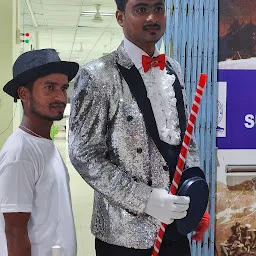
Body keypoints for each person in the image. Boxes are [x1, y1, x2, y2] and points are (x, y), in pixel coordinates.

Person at [69, 0, 210, 255]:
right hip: (124, 237)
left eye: (158, 8)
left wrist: (195, 197)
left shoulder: (174, 70)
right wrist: (146, 200)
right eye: (141, 10)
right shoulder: (97, 75)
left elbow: (186, 141)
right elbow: (84, 155)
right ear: (120, 18)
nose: (152, 18)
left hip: (176, 230)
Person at [0, 49, 79, 256]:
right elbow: (15, 233)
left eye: (63, 88)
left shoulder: (44, 144)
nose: (61, 97)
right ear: (24, 94)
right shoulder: (20, 154)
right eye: (50, 88)